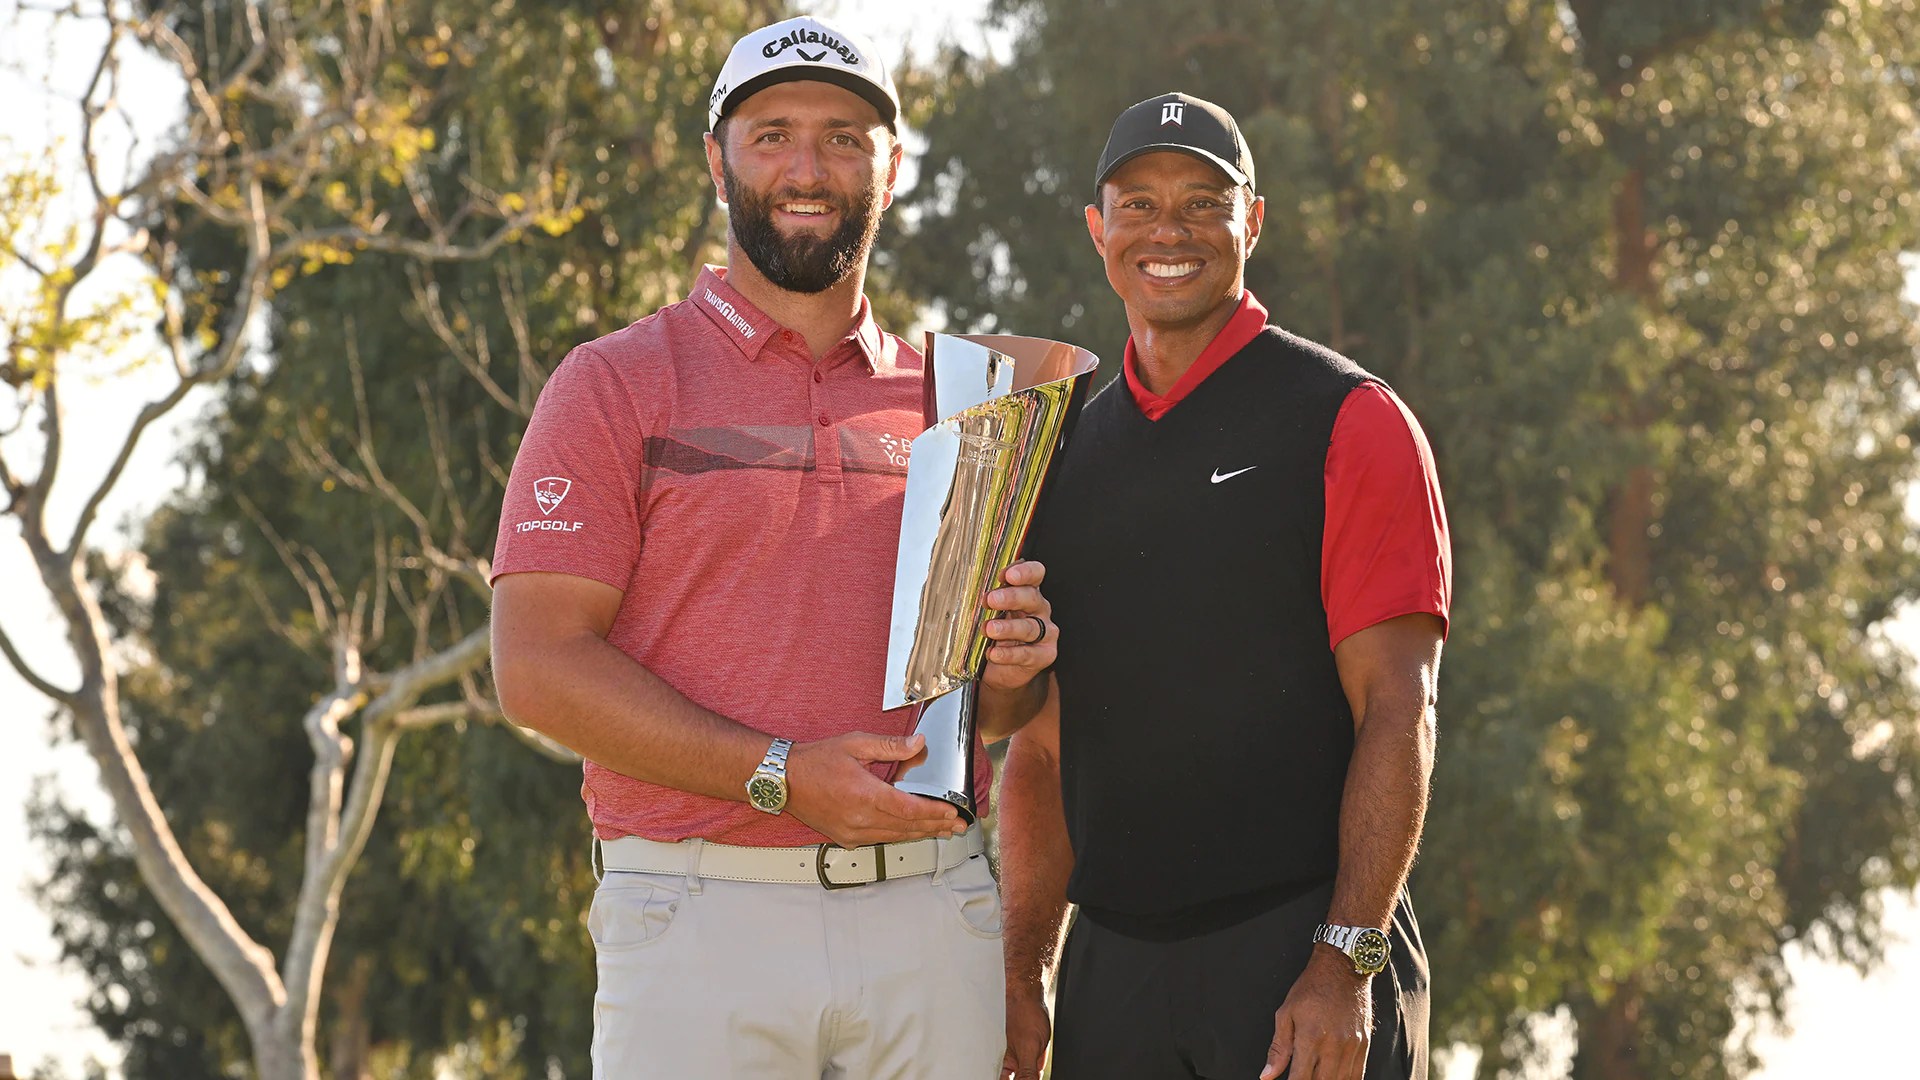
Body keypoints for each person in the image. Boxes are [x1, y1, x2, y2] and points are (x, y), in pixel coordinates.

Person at [489, 15, 1057, 1078]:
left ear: (891, 171)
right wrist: (778, 775)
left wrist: (1016, 669)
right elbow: (537, 666)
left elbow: (998, 713)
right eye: (772, 135)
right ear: (717, 161)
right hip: (700, 912)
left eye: (845, 138)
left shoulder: (964, 398)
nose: (809, 168)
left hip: (933, 912)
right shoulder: (613, 383)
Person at [998, 92, 1450, 1080]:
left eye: (1205, 203)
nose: (1171, 231)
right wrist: (1024, 971)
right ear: (1097, 230)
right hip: (1114, 971)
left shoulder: (1348, 419)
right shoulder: (1060, 454)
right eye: (1141, 204)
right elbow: (1037, 750)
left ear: (1253, 220)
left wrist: (1345, 963)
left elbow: (1399, 707)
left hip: (1300, 958)